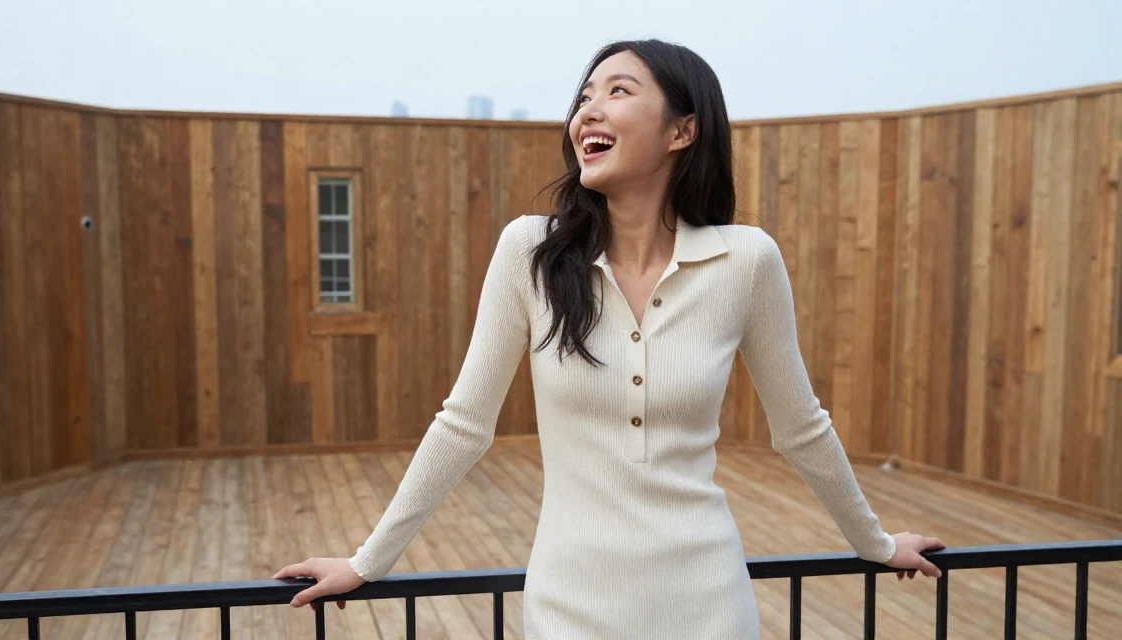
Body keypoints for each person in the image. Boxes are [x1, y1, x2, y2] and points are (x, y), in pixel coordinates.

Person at [275, 38, 946, 638]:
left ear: (682, 130)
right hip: (570, 608)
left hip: (709, 605)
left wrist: (876, 542)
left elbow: (800, 426)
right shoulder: (529, 253)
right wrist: (369, 562)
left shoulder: (747, 262)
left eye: (617, 92)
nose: (587, 112)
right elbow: (464, 426)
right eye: (584, 97)